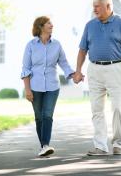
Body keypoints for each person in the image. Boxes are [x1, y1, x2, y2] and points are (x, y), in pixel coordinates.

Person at [73, 0, 121, 156]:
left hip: (117, 69)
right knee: (96, 109)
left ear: (108, 7)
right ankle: (100, 146)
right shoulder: (90, 25)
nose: (94, 9)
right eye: (93, 6)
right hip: (95, 69)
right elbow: (82, 50)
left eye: (97, 6)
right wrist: (78, 71)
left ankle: (118, 143)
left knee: (118, 107)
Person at [21, 16, 74, 157]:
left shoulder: (57, 45)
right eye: (49, 23)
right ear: (40, 26)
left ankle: (45, 145)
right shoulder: (31, 45)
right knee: (39, 117)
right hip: (35, 87)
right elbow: (26, 68)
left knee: (47, 115)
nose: (52, 25)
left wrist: (72, 74)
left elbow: (64, 63)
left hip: (52, 86)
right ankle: (43, 146)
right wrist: (27, 89)